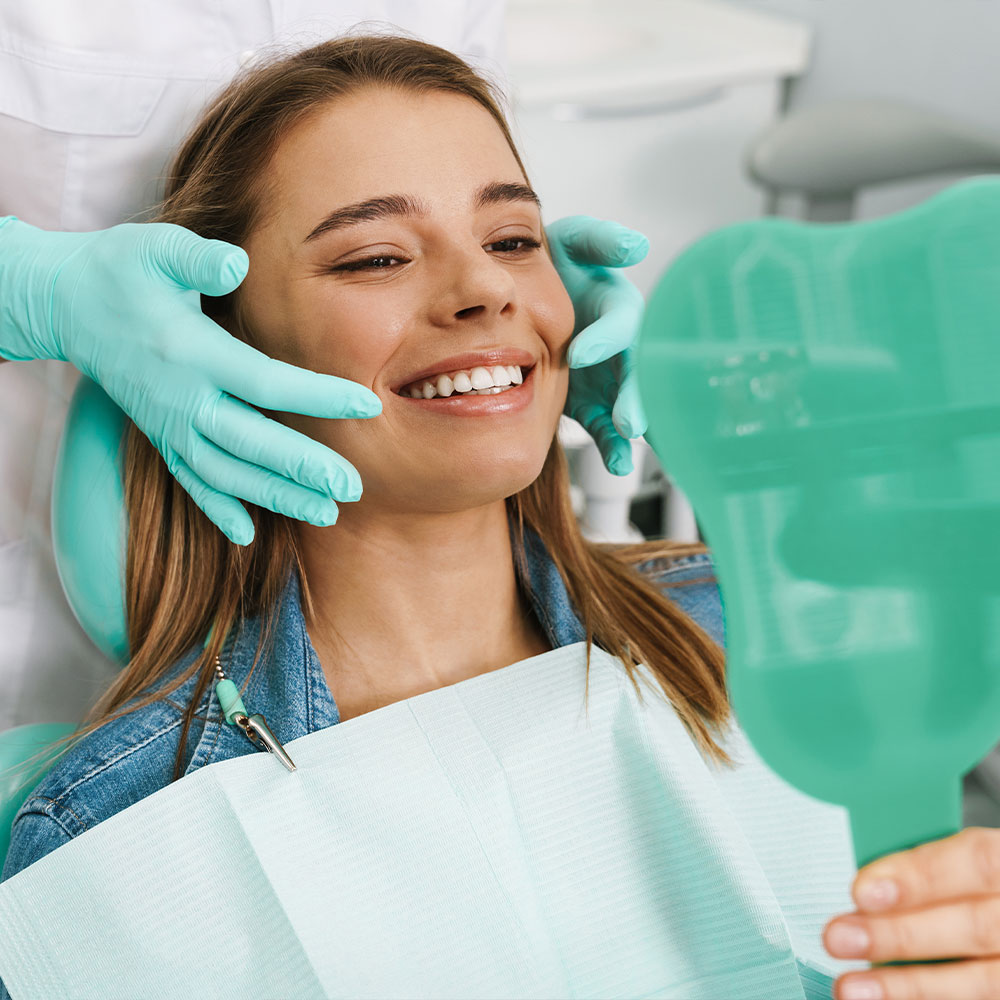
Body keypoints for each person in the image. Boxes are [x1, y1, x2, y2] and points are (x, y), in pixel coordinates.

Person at [0, 2, 648, 734]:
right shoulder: (118, 811)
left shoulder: (724, 639)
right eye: (375, 258)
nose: (489, 291)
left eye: (513, 242)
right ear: (237, 336)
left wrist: (517, 281)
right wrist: (29, 288)